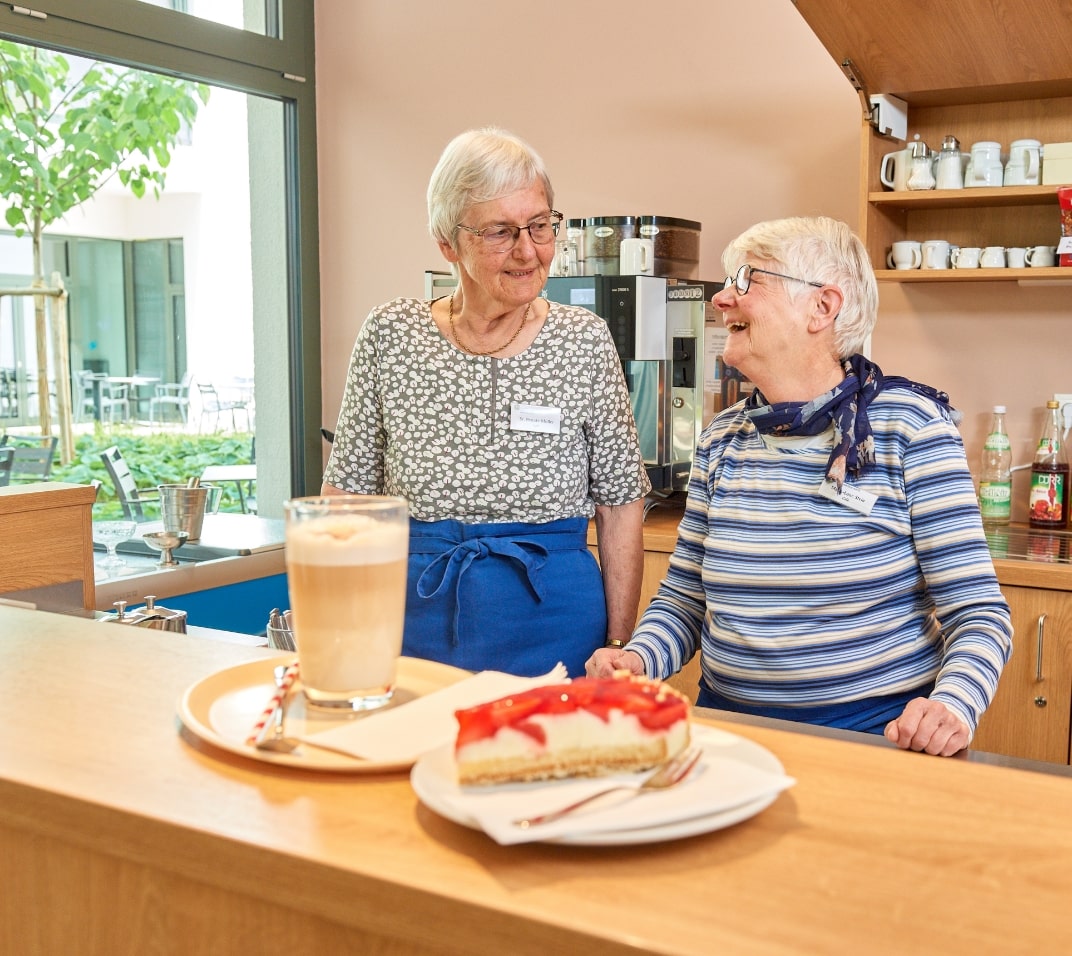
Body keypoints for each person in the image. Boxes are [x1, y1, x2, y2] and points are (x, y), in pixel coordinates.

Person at [587, 216, 1012, 756]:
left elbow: (978, 613)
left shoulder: (910, 428)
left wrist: (951, 704)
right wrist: (639, 658)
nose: (721, 299)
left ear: (822, 307)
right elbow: (684, 600)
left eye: (746, 280)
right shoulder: (723, 439)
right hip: (728, 732)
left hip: (873, 737)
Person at [322, 127, 650, 677]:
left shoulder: (585, 340)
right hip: (411, 620)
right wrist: (339, 633)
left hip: (557, 623)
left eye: (541, 226)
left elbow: (619, 507)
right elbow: (345, 499)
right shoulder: (391, 333)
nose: (529, 250)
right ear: (448, 242)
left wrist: (620, 642)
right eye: (501, 231)